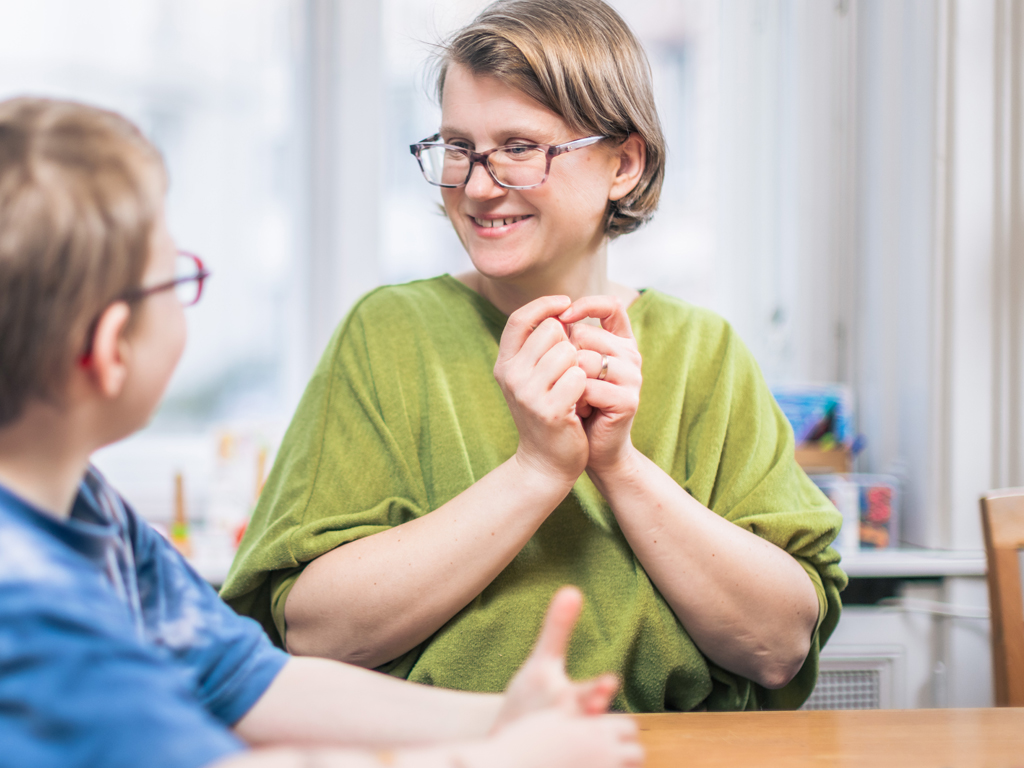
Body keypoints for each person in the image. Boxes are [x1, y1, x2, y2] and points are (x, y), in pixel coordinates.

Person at [221, 0, 847, 712]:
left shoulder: (706, 351)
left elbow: (778, 646)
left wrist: (617, 467)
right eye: (459, 147)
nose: (479, 187)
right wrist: (538, 469)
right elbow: (314, 632)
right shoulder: (389, 332)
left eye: (520, 147)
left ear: (624, 162)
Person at [0, 96, 645, 768]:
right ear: (109, 351)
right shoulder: (22, 602)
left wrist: (501, 719)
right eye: (172, 277)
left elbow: (243, 681)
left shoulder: (88, 511)